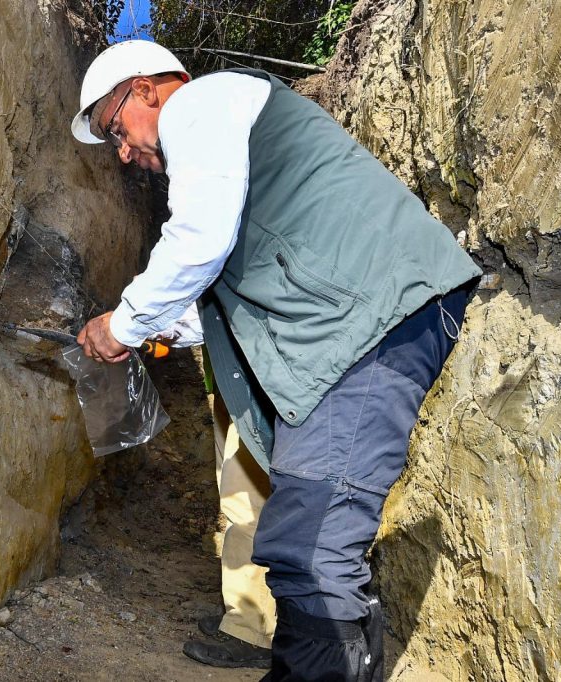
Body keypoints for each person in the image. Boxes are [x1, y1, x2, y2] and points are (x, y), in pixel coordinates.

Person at [70, 40, 481, 681]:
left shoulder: (200, 104)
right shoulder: (229, 145)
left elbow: (197, 243)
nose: (122, 152)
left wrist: (121, 321)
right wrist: (140, 334)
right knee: (315, 546)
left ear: (149, 89)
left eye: (113, 127)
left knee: (312, 549)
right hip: (358, 329)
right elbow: (212, 294)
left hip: (372, 325)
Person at [152, 307, 278, 669]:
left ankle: (254, 630)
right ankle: (245, 610)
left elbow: (206, 266)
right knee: (237, 495)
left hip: (256, 369)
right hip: (235, 369)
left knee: (251, 505)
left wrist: (142, 321)